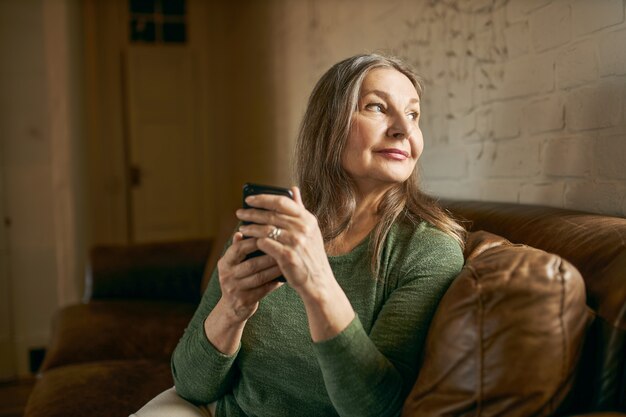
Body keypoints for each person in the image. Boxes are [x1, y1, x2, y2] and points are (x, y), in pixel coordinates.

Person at [132, 53, 465, 417]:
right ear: (328, 126)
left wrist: (317, 283)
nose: (404, 128)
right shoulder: (271, 229)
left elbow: (373, 409)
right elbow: (191, 385)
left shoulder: (429, 250)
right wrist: (232, 309)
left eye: (414, 114)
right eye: (376, 107)